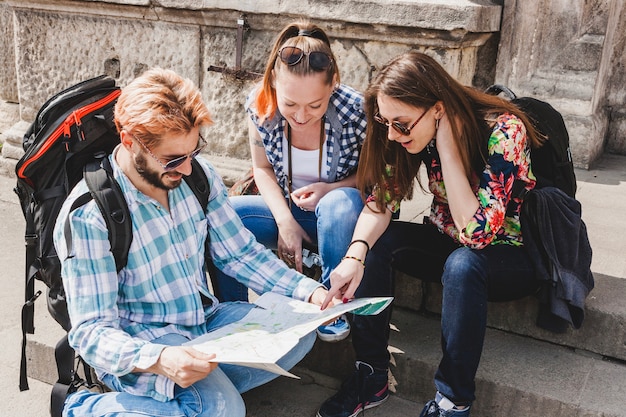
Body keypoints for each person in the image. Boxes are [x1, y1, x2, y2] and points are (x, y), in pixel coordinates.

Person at [52, 68, 330, 417]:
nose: (185, 169)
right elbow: (92, 332)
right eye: (172, 160)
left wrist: (309, 292)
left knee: (297, 333)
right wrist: (162, 359)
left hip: (203, 320)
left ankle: (184, 401)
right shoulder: (89, 216)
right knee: (224, 409)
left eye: (193, 150)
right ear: (129, 141)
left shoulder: (198, 174)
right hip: (144, 344)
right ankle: (84, 407)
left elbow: (240, 254)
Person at [316, 51, 543, 417]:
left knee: (464, 264)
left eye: (401, 124)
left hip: (510, 257)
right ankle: (371, 373)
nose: (392, 133)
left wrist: (448, 146)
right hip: (451, 244)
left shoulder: (504, 131)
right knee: (378, 245)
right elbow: (381, 202)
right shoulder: (405, 133)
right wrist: (353, 257)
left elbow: (477, 234)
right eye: (385, 122)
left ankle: (452, 402)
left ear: (438, 109)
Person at [216, 20, 367, 342]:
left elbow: (378, 175)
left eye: (315, 105)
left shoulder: (356, 109)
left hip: (345, 218)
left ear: (333, 85)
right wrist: (285, 222)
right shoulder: (260, 105)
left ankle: (330, 305)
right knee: (224, 216)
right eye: (290, 104)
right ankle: (232, 314)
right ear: (273, 84)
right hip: (291, 212)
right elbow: (262, 169)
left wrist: (332, 188)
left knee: (338, 205)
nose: (300, 116)